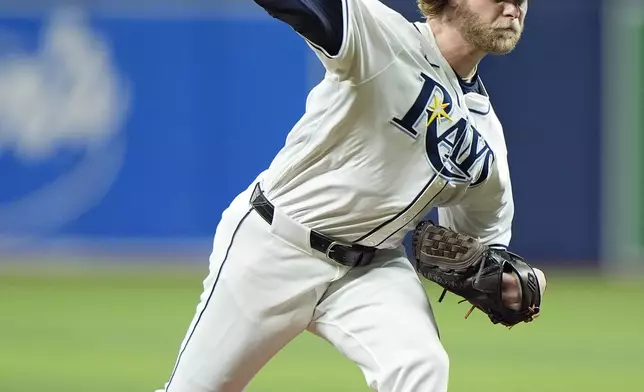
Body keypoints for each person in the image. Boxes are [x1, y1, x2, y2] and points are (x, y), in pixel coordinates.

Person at [156, 0, 546, 391]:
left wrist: (514, 280)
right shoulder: (382, 37)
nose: (513, 5)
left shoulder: (487, 135)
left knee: (420, 365)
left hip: (371, 270)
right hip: (275, 245)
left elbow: (487, 246)